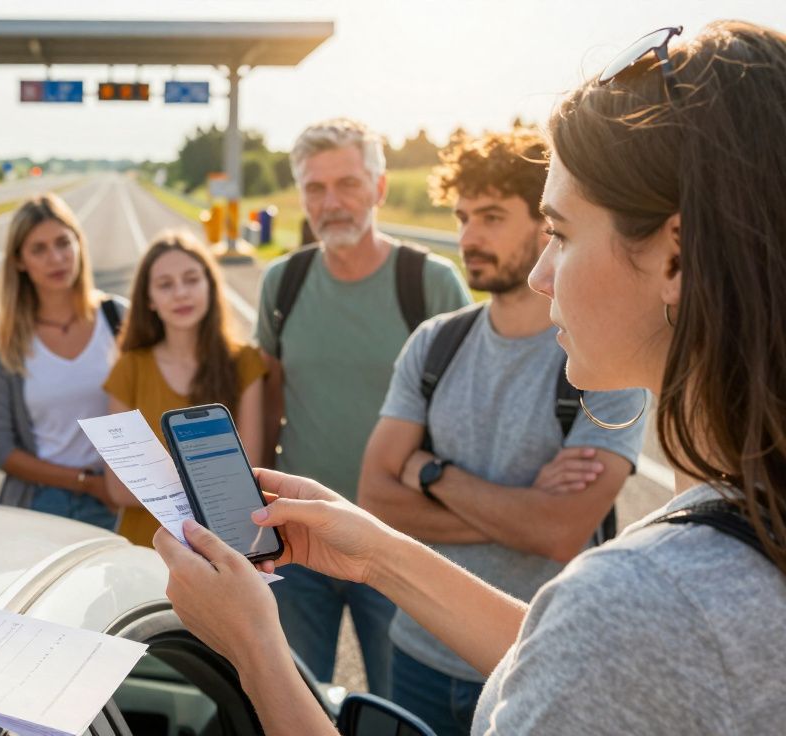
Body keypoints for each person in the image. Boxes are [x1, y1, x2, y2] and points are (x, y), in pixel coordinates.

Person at [154, 21, 786, 734]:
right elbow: (578, 654)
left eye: (564, 234)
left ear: (676, 258)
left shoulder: (639, 597)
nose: (543, 276)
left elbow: (606, 636)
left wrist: (253, 649)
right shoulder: (731, 541)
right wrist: (380, 553)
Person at [356, 128, 645, 736]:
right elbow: (377, 498)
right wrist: (520, 514)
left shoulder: (603, 359)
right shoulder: (434, 343)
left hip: (538, 659)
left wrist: (430, 474)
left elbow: (560, 532)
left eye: (490, 217)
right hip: (417, 652)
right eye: (462, 217)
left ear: (547, 225)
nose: (467, 237)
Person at [255, 118, 472, 689]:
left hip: (398, 541)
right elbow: (269, 395)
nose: (332, 203)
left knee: (400, 705)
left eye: (348, 184)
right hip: (297, 539)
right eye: (315, 189)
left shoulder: (430, 283)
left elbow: (461, 416)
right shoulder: (284, 282)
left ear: (378, 189)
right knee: (295, 703)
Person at [103, 229, 266, 546]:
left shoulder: (245, 363)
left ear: (210, 285)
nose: (180, 292)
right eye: (165, 284)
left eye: (191, 279)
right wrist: (210, 480)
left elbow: (247, 480)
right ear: (149, 299)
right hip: (147, 547)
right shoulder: (130, 367)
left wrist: (157, 483)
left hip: (224, 547)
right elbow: (119, 489)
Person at [0, 193, 126, 528]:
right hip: (40, 501)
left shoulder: (118, 317)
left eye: (63, 242)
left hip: (115, 499)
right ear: (19, 261)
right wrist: (85, 482)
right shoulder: (2, 340)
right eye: (39, 249)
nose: (56, 258)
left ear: (79, 244)